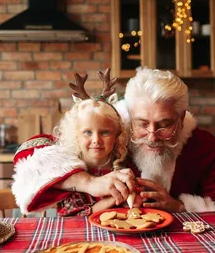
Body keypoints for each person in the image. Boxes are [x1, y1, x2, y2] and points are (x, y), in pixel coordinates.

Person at [13, 68, 215, 215]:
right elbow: (29, 151)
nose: (152, 136)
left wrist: (180, 207)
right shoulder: (111, 130)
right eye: (142, 123)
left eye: (164, 125)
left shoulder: (210, 150)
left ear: (181, 119)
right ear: (129, 116)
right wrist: (89, 183)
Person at [12, 69, 139, 215]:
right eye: (87, 132)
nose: (96, 140)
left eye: (105, 132)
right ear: (75, 136)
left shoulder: (124, 166)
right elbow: (72, 215)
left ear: (117, 135)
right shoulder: (69, 168)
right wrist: (111, 200)